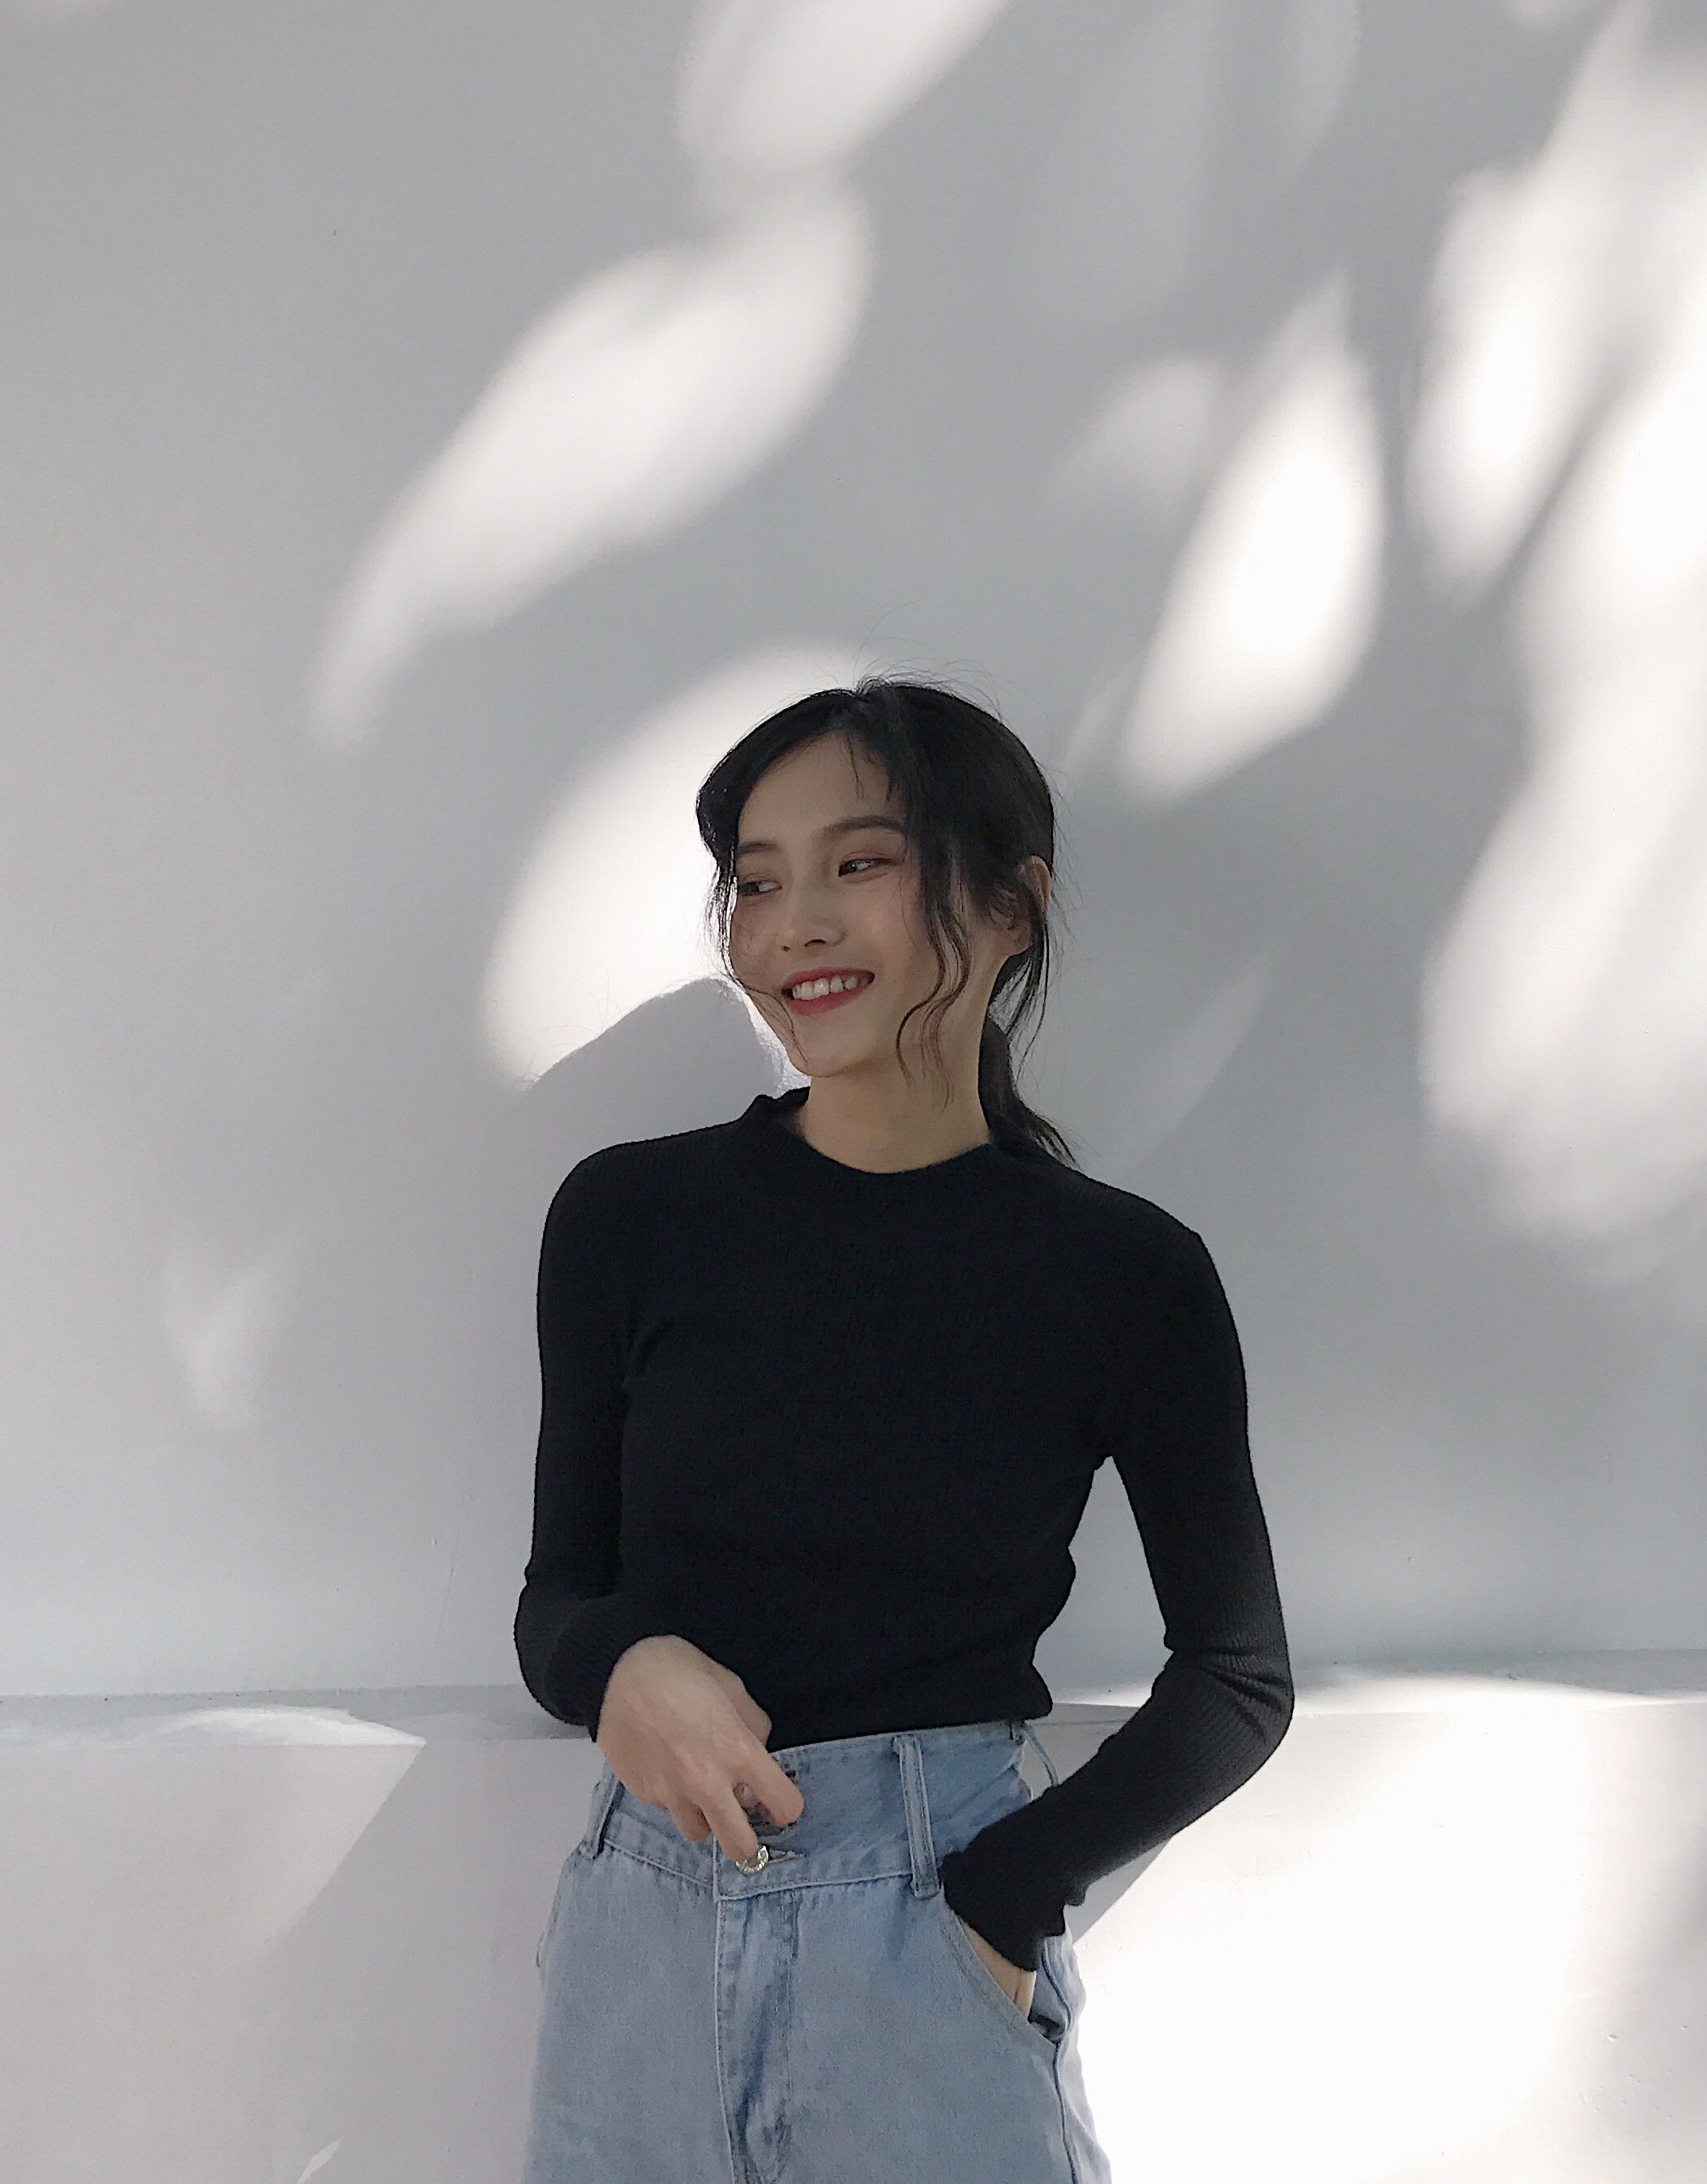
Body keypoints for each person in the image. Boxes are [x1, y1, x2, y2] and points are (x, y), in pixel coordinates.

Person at [516, 675, 1295, 2182]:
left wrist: (1000, 1900)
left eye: (857, 864)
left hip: (931, 1919)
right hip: (644, 1928)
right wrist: (618, 1661)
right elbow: (557, 1596)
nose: (791, 925)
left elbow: (1237, 1681)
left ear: (1013, 907)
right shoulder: (629, 1218)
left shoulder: (1121, 1272)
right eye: (755, 883)